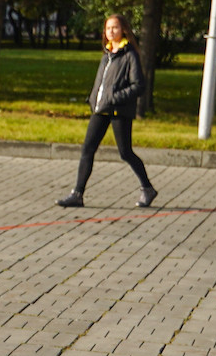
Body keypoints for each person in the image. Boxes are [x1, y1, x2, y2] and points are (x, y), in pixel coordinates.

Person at [55, 14, 154, 209]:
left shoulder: (129, 54)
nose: (111, 31)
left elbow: (139, 85)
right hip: (100, 109)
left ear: (123, 30)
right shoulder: (107, 54)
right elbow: (101, 83)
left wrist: (114, 98)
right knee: (87, 149)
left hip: (118, 111)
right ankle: (77, 194)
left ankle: (147, 188)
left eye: (115, 28)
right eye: (108, 28)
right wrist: (93, 99)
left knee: (125, 152)